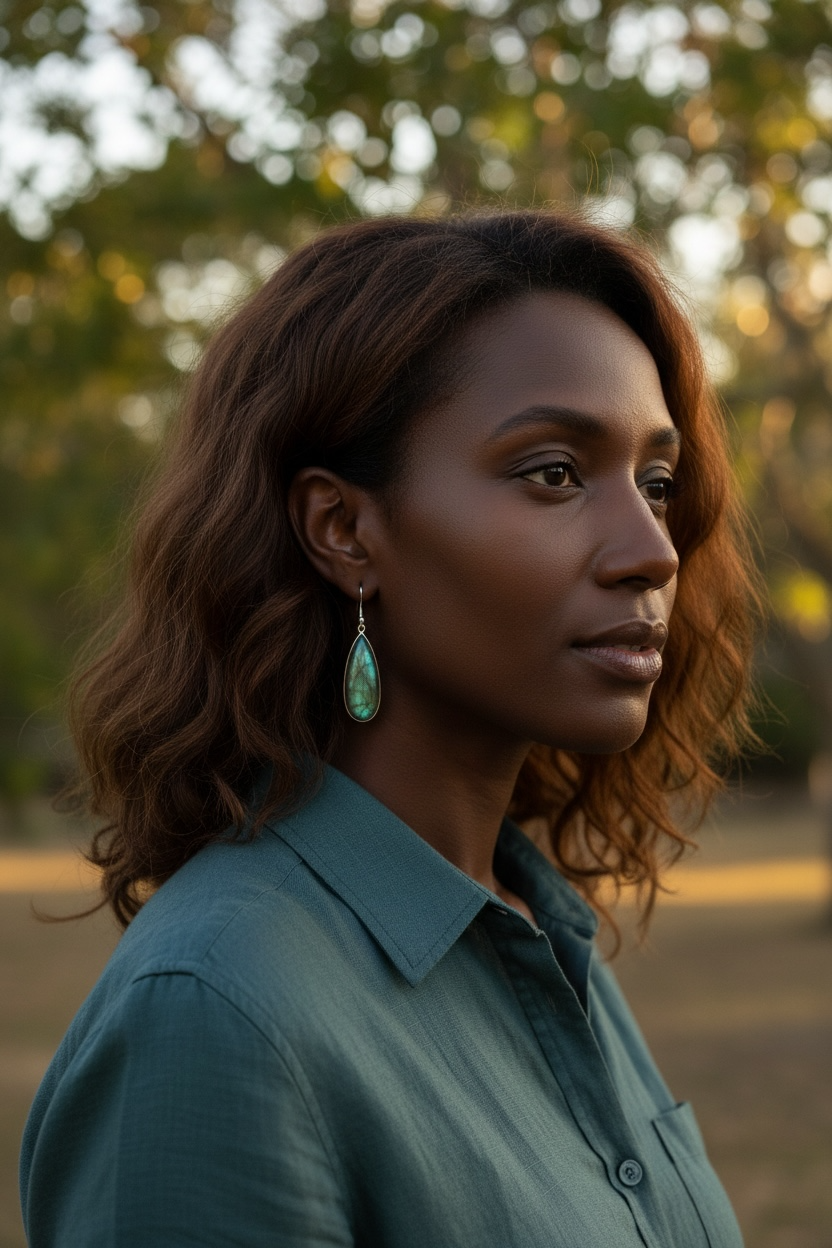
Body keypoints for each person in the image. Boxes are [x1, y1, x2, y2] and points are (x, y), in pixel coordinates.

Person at [20, 210, 759, 1247]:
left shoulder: (532, 934)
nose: (653, 550)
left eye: (657, 483)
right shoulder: (219, 1016)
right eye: (552, 473)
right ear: (344, 531)